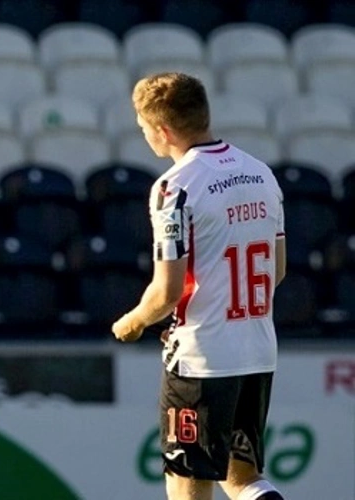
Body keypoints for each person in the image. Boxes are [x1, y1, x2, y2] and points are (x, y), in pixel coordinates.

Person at [112, 73, 287, 500]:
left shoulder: (174, 188)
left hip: (201, 358)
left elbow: (166, 292)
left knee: (188, 483)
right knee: (244, 480)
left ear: (162, 130)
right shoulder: (260, 174)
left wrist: (132, 322)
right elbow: (278, 269)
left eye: (143, 127)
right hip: (257, 349)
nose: (144, 136)